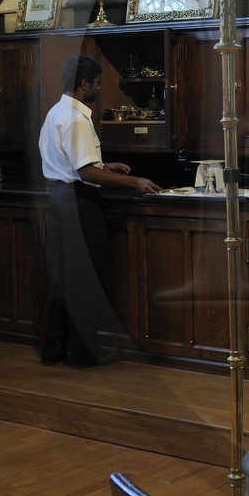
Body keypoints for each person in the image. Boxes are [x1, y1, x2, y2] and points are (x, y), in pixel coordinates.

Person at [39, 55, 160, 367]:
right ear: (85, 84)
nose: (99, 88)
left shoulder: (56, 112)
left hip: (57, 198)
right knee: (85, 279)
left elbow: (73, 163)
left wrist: (104, 165)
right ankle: (83, 354)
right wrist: (133, 181)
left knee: (62, 278)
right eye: (97, 83)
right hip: (79, 202)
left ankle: (53, 351)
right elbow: (85, 173)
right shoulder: (78, 119)